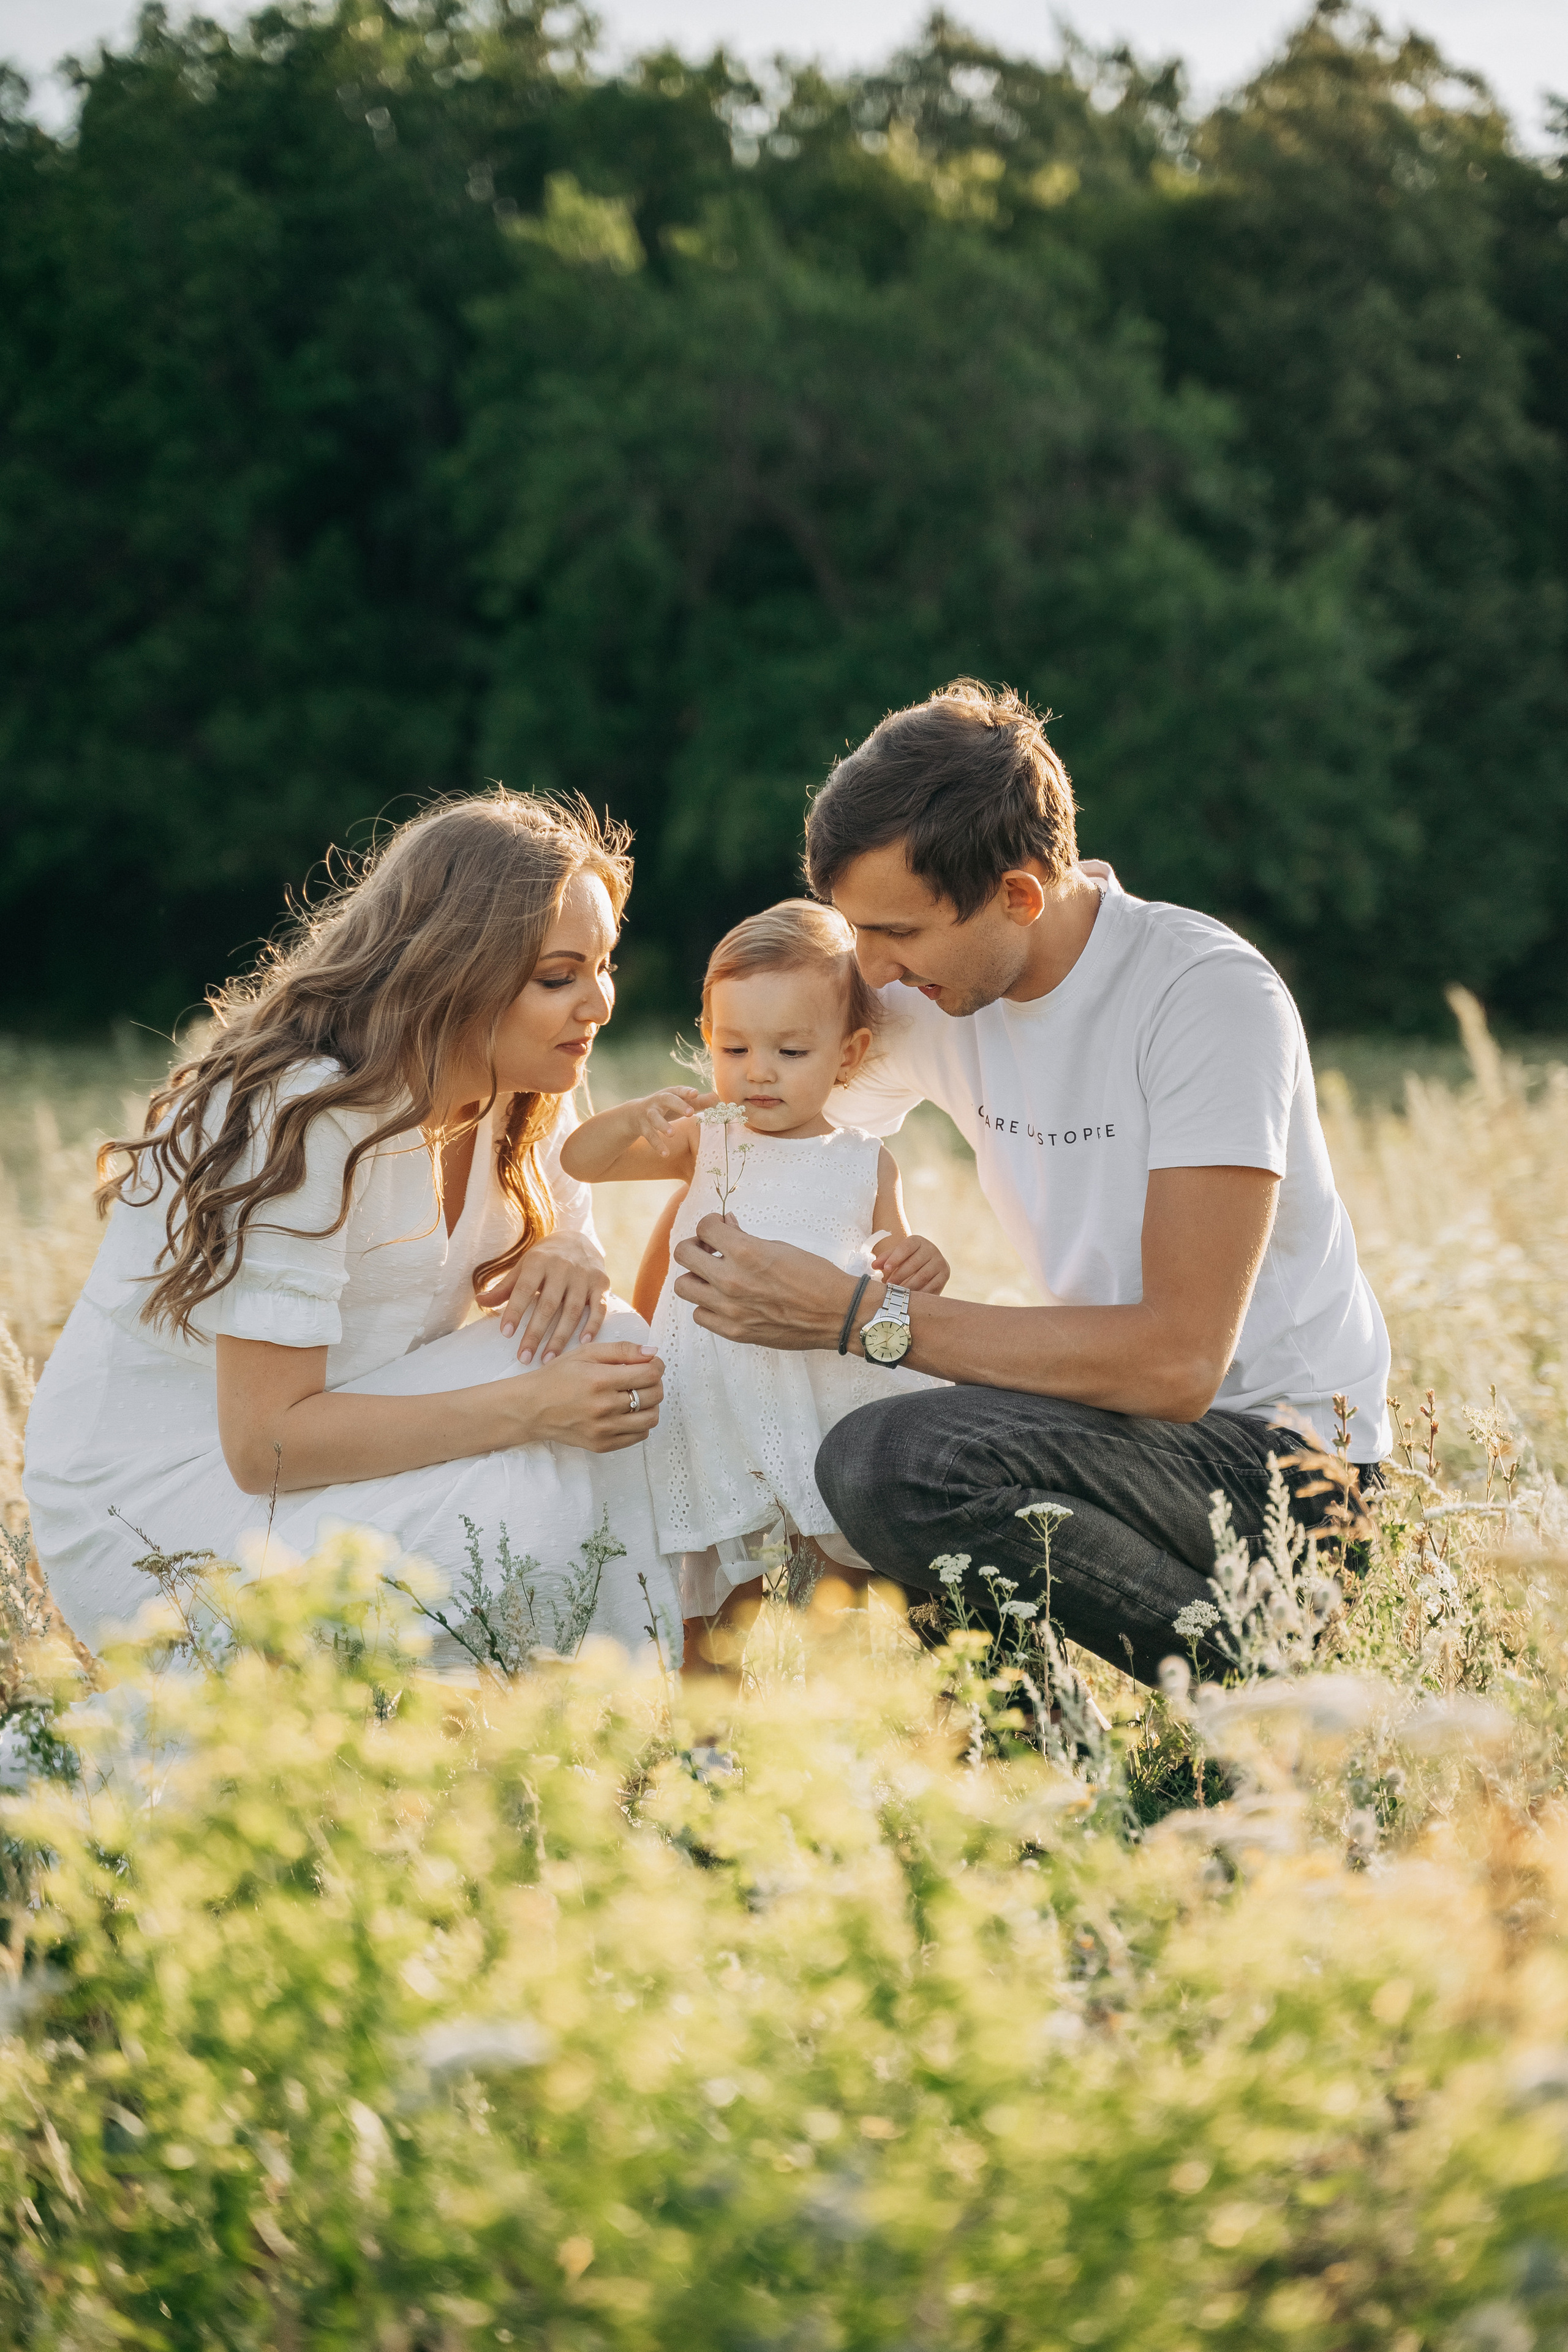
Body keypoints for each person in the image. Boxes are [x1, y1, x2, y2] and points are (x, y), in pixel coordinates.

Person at [668, 681, 1392, 1684]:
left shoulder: (1204, 999)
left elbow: (1178, 1364)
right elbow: (741, 1129)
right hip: (1120, 1432)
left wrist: (858, 1316)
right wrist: (565, 1233)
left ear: (1018, 895)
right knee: (865, 1437)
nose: (870, 970)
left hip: (1286, 1471)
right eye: (856, 929)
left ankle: (1282, 1694)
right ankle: (1033, 1770)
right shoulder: (928, 992)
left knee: (892, 1459)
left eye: (900, 934)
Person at [23, 791, 682, 1670]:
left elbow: (568, 1229)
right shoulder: (300, 1114)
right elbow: (266, 1446)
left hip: (347, 1447)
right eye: (558, 977)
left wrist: (572, 1245)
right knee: (540, 1481)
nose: (597, 1003)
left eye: (604, 966)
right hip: (166, 1511)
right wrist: (532, 1410)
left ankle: (653, 1712)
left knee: (613, 1356)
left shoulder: (525, 1086)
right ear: (455, 969)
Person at [559, 901, 949, 1668]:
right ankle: (707, 1745)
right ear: (708, 1040)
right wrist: (636, 1115)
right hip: (715, 1398)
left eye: (792, 1051)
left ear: (848, 1053)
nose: (759, 1070)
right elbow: (583, 1162)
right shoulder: (708, 1137)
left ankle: (818, 1720)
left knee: (838, 1584)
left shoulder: (864, 1160)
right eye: (734, 1047)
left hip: (822, 1394)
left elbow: (903, 1278)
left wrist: (921, 1261)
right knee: (718, 1598)